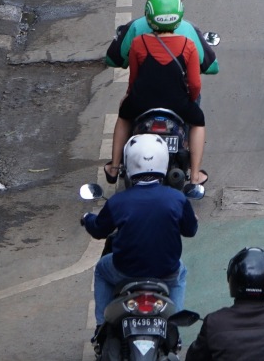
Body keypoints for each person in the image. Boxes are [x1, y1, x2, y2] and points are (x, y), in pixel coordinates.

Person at [81, 134, 198, 342]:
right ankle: (175, 329)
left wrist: (87, 218)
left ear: (129, 164)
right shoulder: (177, 199)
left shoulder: (119, 201)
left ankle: (101, 326)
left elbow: (99, 230)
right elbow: (190, 230)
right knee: (181, 273)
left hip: (124, 271)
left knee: (101, 269)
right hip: (166, 271)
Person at [104, 0, 208, 198]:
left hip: (142, 102)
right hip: (177, 104)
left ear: (149, 17)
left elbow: (133, 79)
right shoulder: (188, 45)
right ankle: (195, 175)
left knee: (124, 117)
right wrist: (189, 100)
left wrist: (130, 97)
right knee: (198, 121)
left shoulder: (138, 43)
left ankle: (114, 167)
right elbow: (195, 84)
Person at [106, 0, 219, 77]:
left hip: (144, 93)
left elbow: (113, 60)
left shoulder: (135, 27)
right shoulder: (189, 29)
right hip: (181, 95)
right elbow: (211, 68)